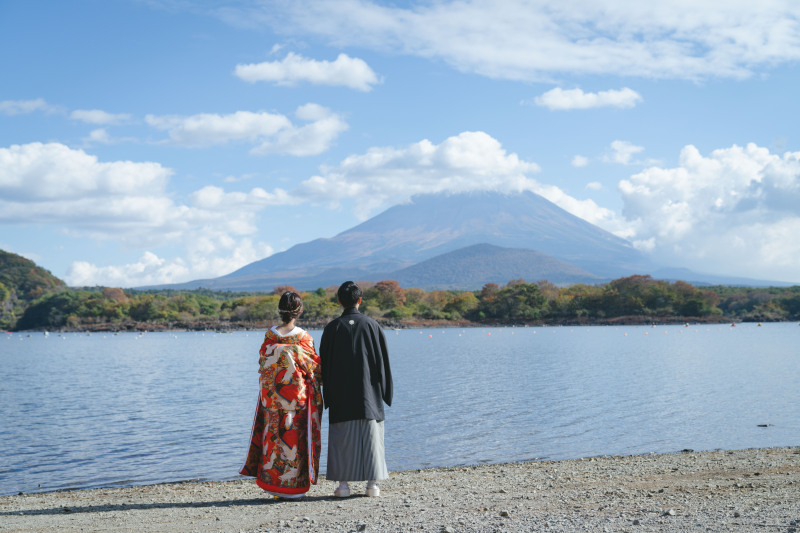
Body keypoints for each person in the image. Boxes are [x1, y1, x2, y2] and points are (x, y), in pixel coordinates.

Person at [240, 291, 322, 499]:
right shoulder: (303, 337)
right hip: (295, 399)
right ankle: (294, 488)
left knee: (273, 441)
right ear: (300, 311)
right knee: (294, 441)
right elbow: (313, 368)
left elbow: (262, 364)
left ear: (279, 310)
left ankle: (272, 485)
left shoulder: (269, 336)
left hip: (271, 398)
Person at [319, 281, 393, 498]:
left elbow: (324, 364)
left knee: (342, 438)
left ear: (340, 301)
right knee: (371, 438)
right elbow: (383, 362)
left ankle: (343, 486)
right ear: (360, 300)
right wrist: (386, 391)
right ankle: (372, 485)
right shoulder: (372, 325)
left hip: (341, 395)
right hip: (369, 393)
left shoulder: (332, 328)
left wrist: (327, 394)